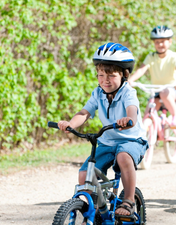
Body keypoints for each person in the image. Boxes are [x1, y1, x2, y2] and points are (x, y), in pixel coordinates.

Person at [57, 42, 148, 220]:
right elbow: (84, 112)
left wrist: (127, 120)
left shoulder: (128, 93)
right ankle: (95, 210)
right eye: (100, 75)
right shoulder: (97, 93)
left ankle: (128, 200)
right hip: (107, 141)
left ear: (123, 75)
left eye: (111, 75)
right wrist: (71, 124)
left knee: (123, 157)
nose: (105, 80)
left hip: (131, 140)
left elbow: (132, 113)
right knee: (84, 174)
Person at [127, 25, 176, 127]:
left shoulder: (174, 56)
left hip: (172, 90)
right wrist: (130, 80)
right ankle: (149, 133)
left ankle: (175, 115)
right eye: (157, 42)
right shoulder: (151, 57)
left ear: (170, 42)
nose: (160, 44)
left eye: (163, 41)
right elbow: (141, 70)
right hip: (156, 91)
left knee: (164, 93)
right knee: (148, 112)